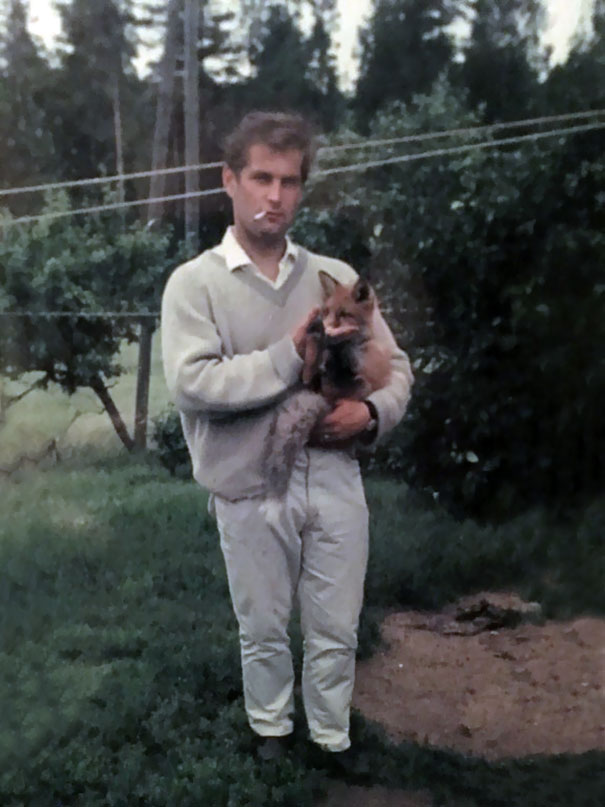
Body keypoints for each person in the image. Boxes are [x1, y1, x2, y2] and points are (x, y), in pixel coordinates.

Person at [161, 111, 413, 759]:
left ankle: (331, 737)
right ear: (229, 180)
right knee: (264, 624)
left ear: (303, 188)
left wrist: (372, 414)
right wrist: (286, 355)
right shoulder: (195, 284)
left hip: (333, 472)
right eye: (261, 178)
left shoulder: (334, 275)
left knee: (335, 621)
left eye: (290, 181)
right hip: (247, 479)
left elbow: (397, 366)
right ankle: (270, 730)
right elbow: (194, 385)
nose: (275, 196)